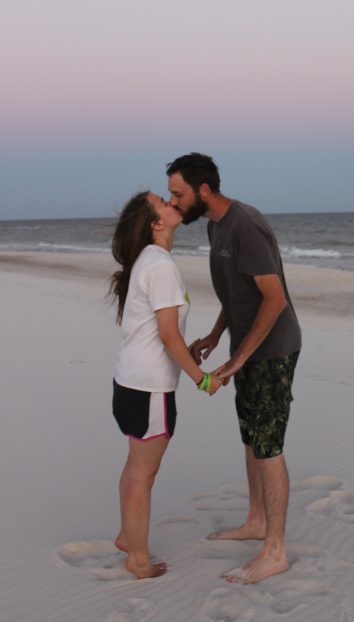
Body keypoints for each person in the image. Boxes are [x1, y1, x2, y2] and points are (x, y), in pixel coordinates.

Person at [167, 153, 301, 584]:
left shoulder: (245, 226)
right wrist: (213, 336)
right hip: (245, 348)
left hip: (272, 350)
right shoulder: (214, 225)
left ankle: (275, 551)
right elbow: (234, 295)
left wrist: (239, 357)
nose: (174, 203)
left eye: (178, 194)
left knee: (268, 445)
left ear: (203, 190)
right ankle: (256, 520)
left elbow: (274, 298)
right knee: (251, 435)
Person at [109, 190, 222, 579]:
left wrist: (186, 354)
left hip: (130, 382)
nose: (173, 203)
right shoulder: (160, 265)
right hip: (149, 388)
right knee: (144, 475)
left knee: (135, 466)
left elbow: (162, 335)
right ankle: (138, 559)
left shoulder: (150, 261)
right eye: (164, 202)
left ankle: (127, 536)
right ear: (155, 222)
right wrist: (201, 378)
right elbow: (168, 336)